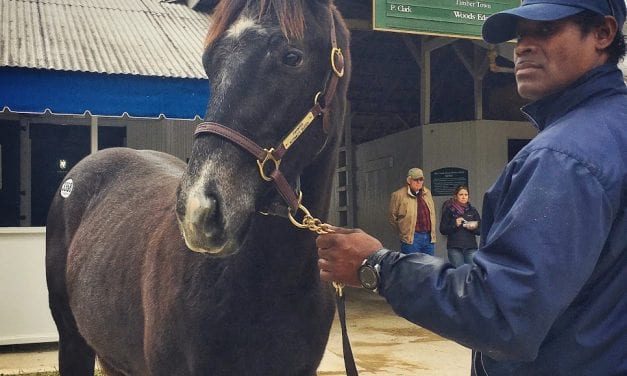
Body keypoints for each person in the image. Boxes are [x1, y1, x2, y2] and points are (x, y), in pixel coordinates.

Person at [317, 0, 627, 374]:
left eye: (545, 30)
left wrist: (378, 265)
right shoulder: (611, 133)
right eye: (520, 34)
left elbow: (501, 313)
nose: (523, 47)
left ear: (603, 33)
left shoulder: (563, 158)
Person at [388, 168, 437, 255]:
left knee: (430, 266)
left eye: (421, 179)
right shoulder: (398, 195)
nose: (418, 182)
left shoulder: (427, 193)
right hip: (412, 238)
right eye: (415, 179)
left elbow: (432, 214)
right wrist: (404, 232)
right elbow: (392, 218)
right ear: (409, 180)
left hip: (429, 237)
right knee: (412, 266)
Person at [439, 185, 481, 267]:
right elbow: (442, 230)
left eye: (466, 195)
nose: (463, 197)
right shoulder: (449, 210)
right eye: (461, 194)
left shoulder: (473, 210)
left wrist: (473, 227)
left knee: (472, 273)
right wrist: (455, 224)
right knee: (459, 274)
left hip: (471, 247)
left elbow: (480, 230)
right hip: (455, 248)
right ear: (456, 196)